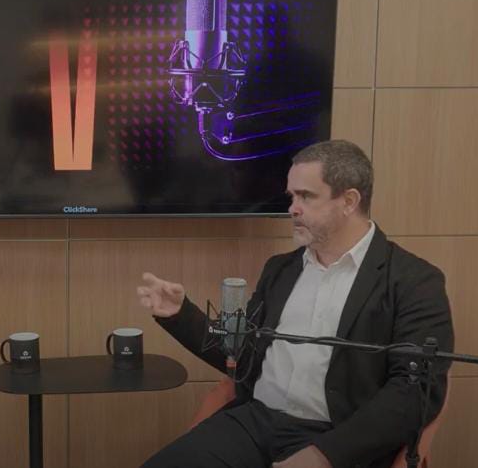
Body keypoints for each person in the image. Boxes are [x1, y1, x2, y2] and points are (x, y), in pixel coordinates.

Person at [137, 140, 453, 468]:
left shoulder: (414, 281)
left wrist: (324, 455)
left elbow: (415, 392)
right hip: (256, 422)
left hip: (340, 436)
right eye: (292, 197)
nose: (293, 208)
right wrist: (179, 314)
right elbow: (240, 358)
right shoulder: (280, 269)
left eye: (306, 196)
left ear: (349, 201)